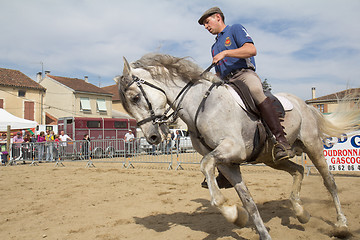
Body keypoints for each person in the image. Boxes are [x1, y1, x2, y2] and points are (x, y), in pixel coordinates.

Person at [198, 7, 294, 163]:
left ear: (218, 17)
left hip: (244, 74)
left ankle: (281, 141)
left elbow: (251, 49)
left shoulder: (235, 29)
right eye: (204, 25)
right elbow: (219, 73)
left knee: (256, 90)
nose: (206, 27)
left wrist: (226, 53)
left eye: (207, 22)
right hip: (226, 81)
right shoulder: (214, 47)